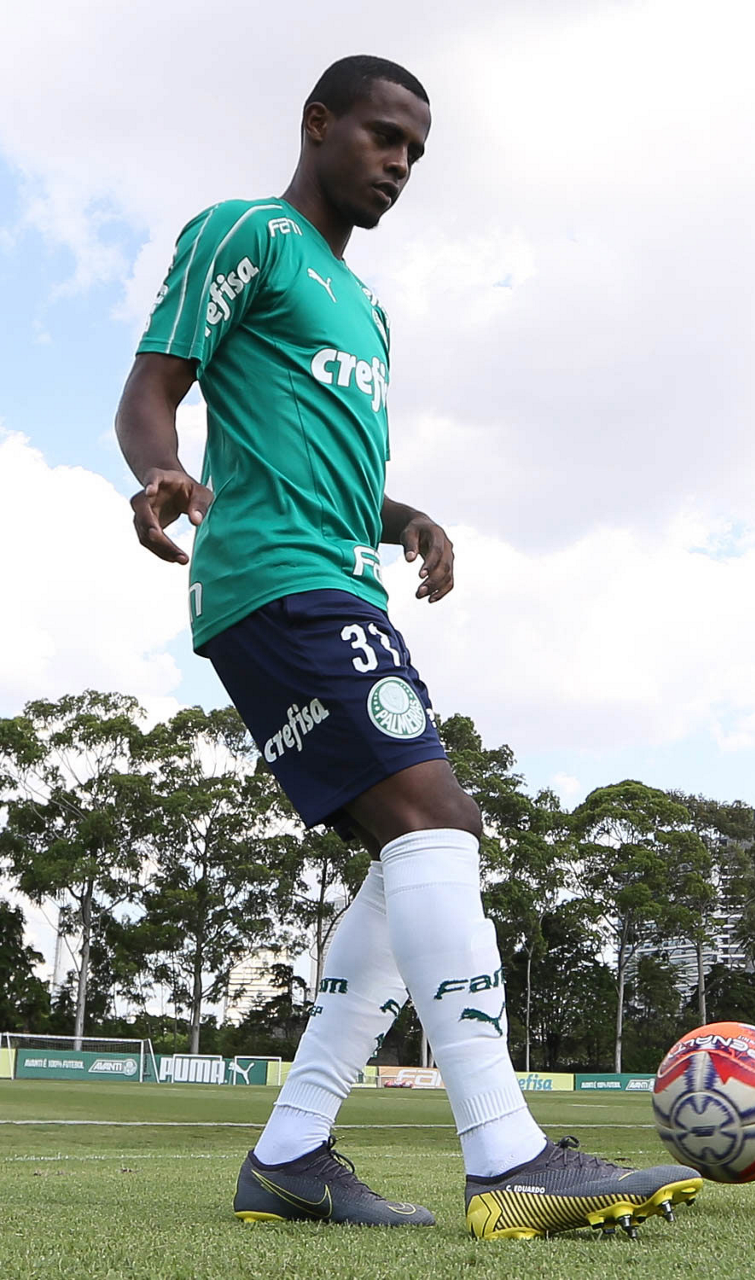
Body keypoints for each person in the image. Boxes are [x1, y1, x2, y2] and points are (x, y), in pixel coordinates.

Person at [115, 55, 701, 1238]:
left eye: (415, 152)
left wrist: (404, 516)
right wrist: (162, 468)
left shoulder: (368, 308)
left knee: (410, 847)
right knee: (440, 820)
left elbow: (323, 462)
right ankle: (508, 1156)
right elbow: (150, 387)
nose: (398, 163)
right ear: (317, 123)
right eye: (382, 136)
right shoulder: (248, 234)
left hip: (344, 579)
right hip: (276, 580)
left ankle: (290, 1155)